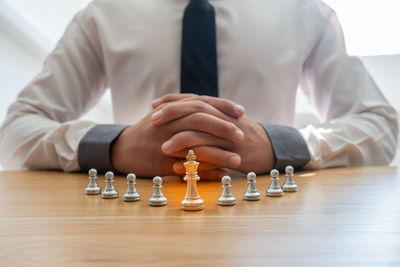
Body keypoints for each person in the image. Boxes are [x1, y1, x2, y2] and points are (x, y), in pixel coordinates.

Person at [0, 0, 397, 179]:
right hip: (132, 228)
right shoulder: (104, 13)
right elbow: (15, 132)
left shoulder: (305, 12)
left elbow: (381, 125)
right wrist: (115, 147)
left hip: (275, 231)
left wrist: (279, 146)